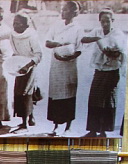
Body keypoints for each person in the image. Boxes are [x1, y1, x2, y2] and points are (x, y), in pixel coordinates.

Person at [82, 8, 126, 137]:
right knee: (94, 99)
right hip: (99, 70)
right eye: (102, 21)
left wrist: (109, 50)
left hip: (112, 71)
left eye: (108, 21)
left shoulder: (118, 34)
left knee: (108, 100)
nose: (105, 24)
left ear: (113, 20)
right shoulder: (97, 31)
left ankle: (103, 131)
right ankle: (92, 130)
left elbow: (118, 52)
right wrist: (97, 38)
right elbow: (83, 39)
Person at [45, 2, 84, 135]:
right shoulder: (56, 25)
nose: (62, 12)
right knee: (56, 94)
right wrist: (60, 44)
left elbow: (79, 49)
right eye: (62, 9)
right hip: (56, 65)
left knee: (69, 94)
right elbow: (47, 42)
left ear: (74, 13)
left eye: (66, 10)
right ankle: (56, 127)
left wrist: (68, 57)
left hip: (69, 66)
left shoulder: (78, 29)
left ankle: (68, 127)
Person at [9, 12, 42, 132]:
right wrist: (14, 62)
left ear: (25, 25)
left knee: (25, 93)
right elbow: (15, 52)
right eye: (14, 23)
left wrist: (28, 66)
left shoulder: (32, 36)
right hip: (19, 66)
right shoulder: (13, 35)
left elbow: (38, 54)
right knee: (19, 92)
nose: (15, 26)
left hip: (30, 67)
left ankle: (24, 125)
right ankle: (30, 118)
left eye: (18, 24)